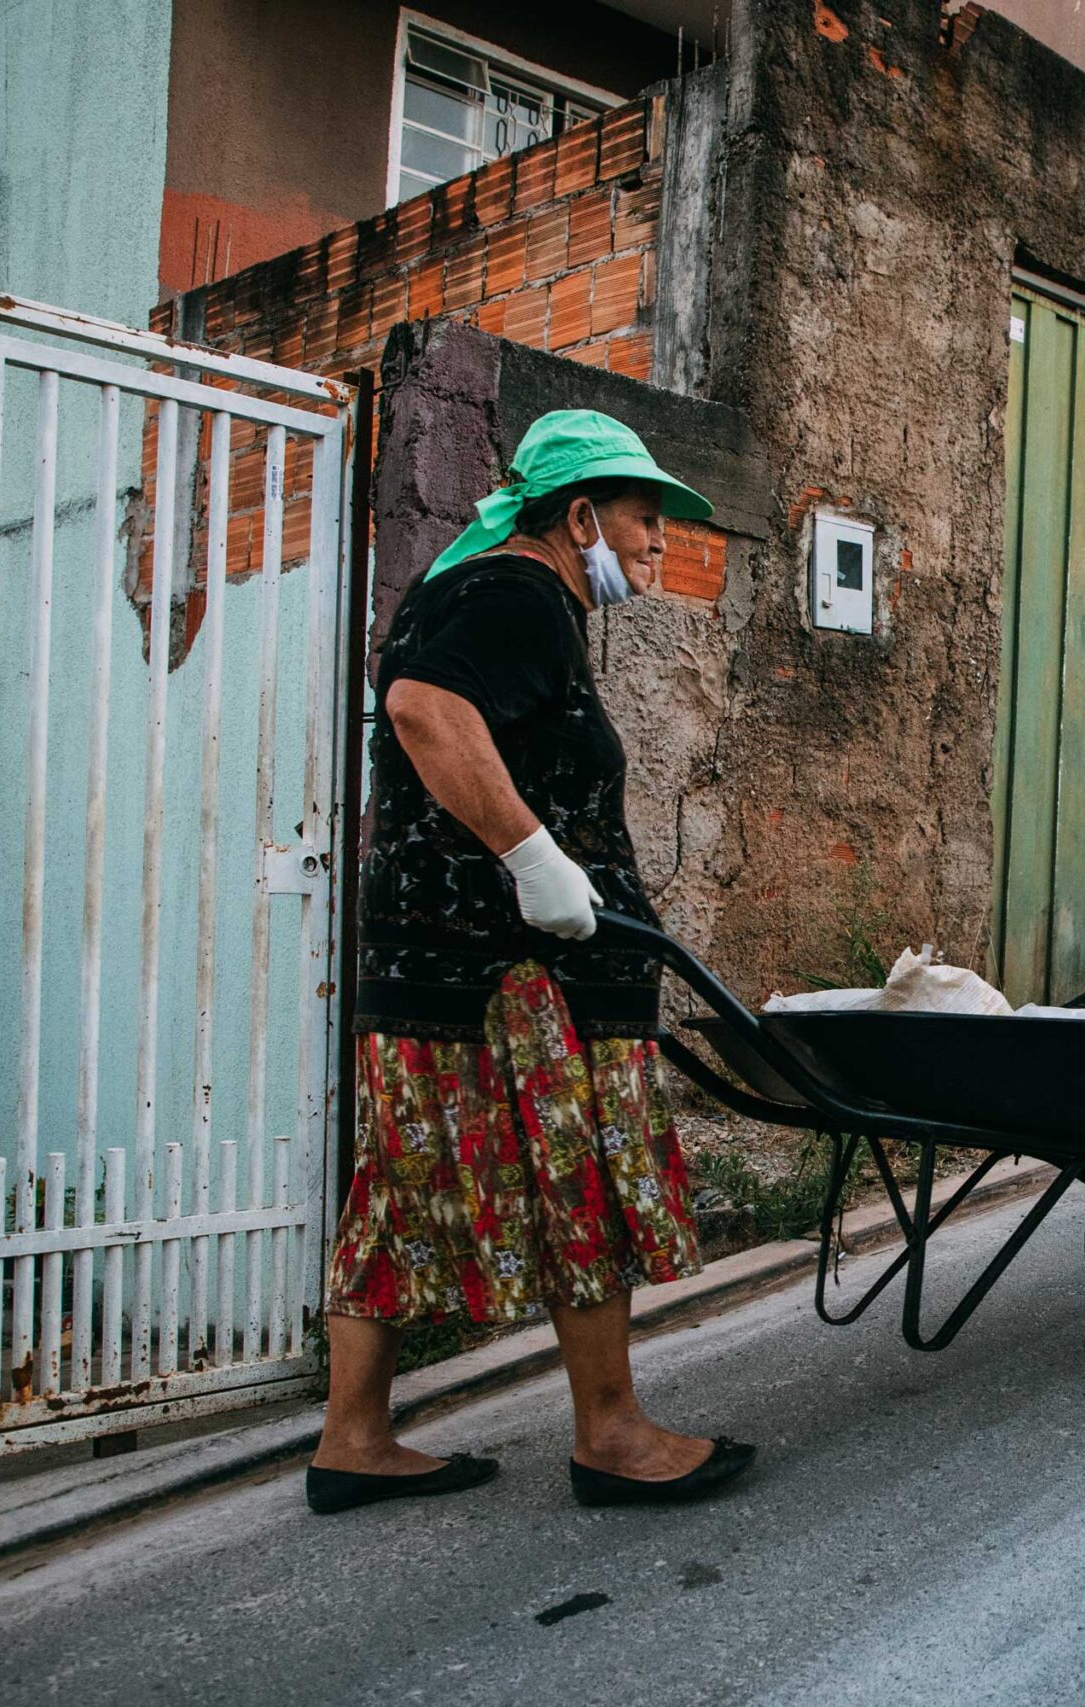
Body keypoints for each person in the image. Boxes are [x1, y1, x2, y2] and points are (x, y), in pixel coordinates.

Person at [306, 410, 755, 1513]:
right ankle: (611, 1435)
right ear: (580, 515)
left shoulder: (485, 595)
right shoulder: (516, 594)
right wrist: (534, 858)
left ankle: (352, 1438)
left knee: (400, 1184)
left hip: (439, 964)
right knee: (576, 1178)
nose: (659, 543)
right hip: (515, 976)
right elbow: (423, 709)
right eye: (648, 519)